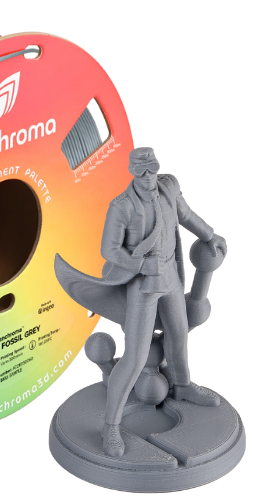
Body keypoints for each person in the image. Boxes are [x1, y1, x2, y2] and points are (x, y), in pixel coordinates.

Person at [58, 147, 228, 458]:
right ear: (132, 171)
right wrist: (140, 265)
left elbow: (185, 214)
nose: (148, 174)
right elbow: (110, 249)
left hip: (170, 277)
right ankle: (111, 425)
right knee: (135, 357)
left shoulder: (168, 187)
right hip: (143, 284)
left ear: (158, 166)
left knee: (179, 336)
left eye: (152, 167)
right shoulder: (122, 206)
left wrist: (210, 235)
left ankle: (182, 386)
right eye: (141, 169)